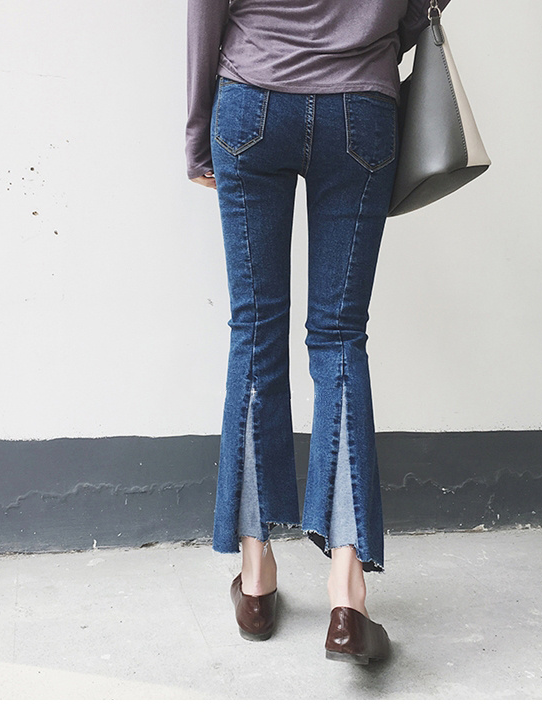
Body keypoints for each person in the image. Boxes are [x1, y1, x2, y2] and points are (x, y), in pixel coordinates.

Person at [185, 0, 451, 664]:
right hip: (360, 106)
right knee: (339, 337)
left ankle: (255, 579)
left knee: (254, 330)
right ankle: (347, 596)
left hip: (253, 97)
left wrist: (196, 129)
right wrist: (379, 33)